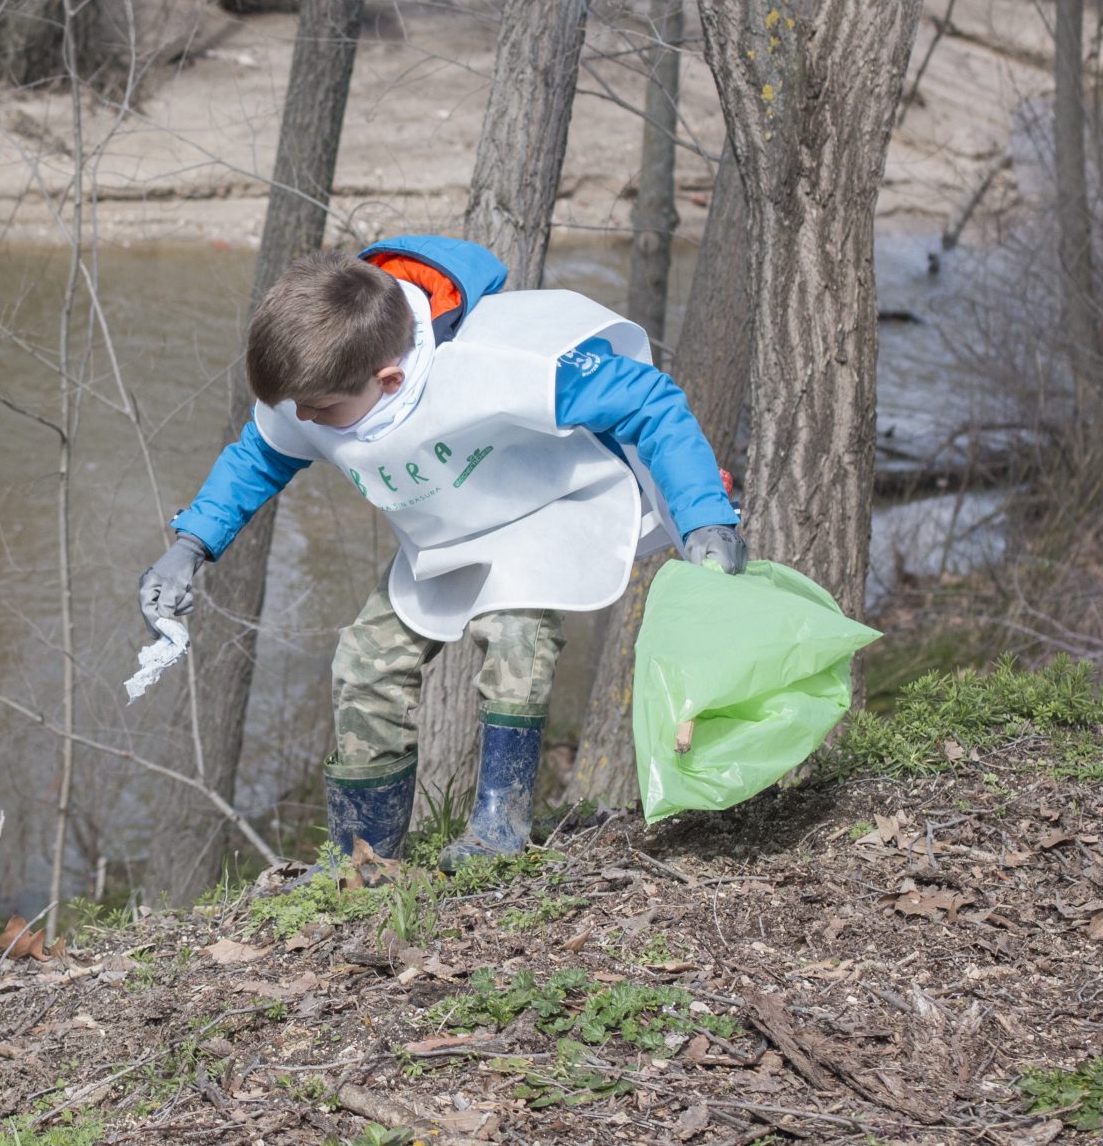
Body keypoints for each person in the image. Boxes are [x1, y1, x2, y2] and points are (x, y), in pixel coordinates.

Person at [136, 234, 745, 867]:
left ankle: (498, 830)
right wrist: (190, 545)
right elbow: (258, 457)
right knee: (365, 660)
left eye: (319, 411)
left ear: (390, 378)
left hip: (542, 515)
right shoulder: (320, 388)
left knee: (517, 637)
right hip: (443, 534)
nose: (306, 422)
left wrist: (705, 518)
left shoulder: (501, 359)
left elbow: (650, 402)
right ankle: (362, 859)